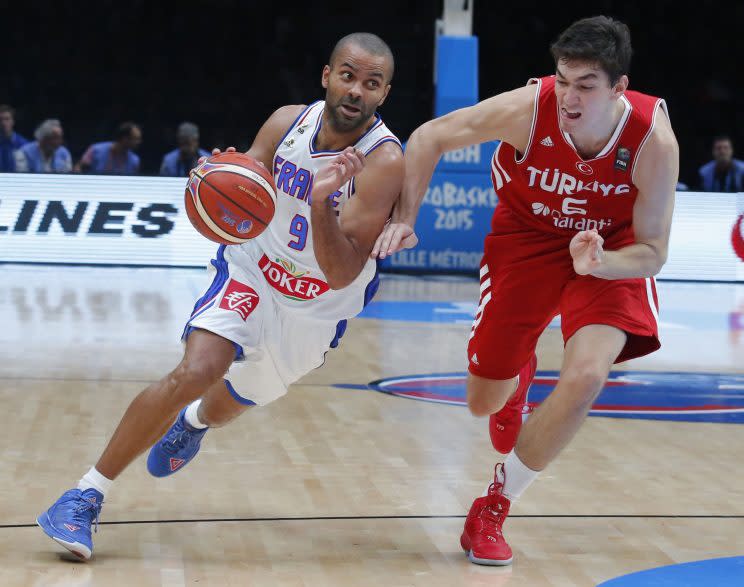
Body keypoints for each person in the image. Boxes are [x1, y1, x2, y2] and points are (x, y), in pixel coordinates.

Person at [37, 32, 404, 561]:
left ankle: (193, 425)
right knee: (198, 369)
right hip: (252, 271)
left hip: (317, 307)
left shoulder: (384, 162)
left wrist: (322, 203)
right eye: (348, 76)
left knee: (230, 402)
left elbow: (344, 272)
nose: (356, 91)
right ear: (327, 76)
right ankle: (84, 494)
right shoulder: (286, 123)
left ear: (383, 94)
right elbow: (241, 184)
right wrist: (215, 182)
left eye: (371, 84)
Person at [378, 15, 679, 566]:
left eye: (585, 85)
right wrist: (405, 216)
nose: (568, 95)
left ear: (619, 88)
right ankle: (515, 378)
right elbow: (428, 137)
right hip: (528, 237)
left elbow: (654, 251)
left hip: (611, 244)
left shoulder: (652, 140)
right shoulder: (527, 108)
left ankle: (495, 504)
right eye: (562, 79)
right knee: (481, 402)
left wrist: (603, 261)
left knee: (587, 375)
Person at [75, 121, 142, 175]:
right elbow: (78, 168)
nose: (138, 142)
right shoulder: (96, 150)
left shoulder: (134, 161)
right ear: (125, 138)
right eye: (136, 139)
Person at [0, 104, 29, 172]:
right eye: (0, 120)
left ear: (13, 121)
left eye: (7, 119)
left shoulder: (24, 145)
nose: (3, 123)